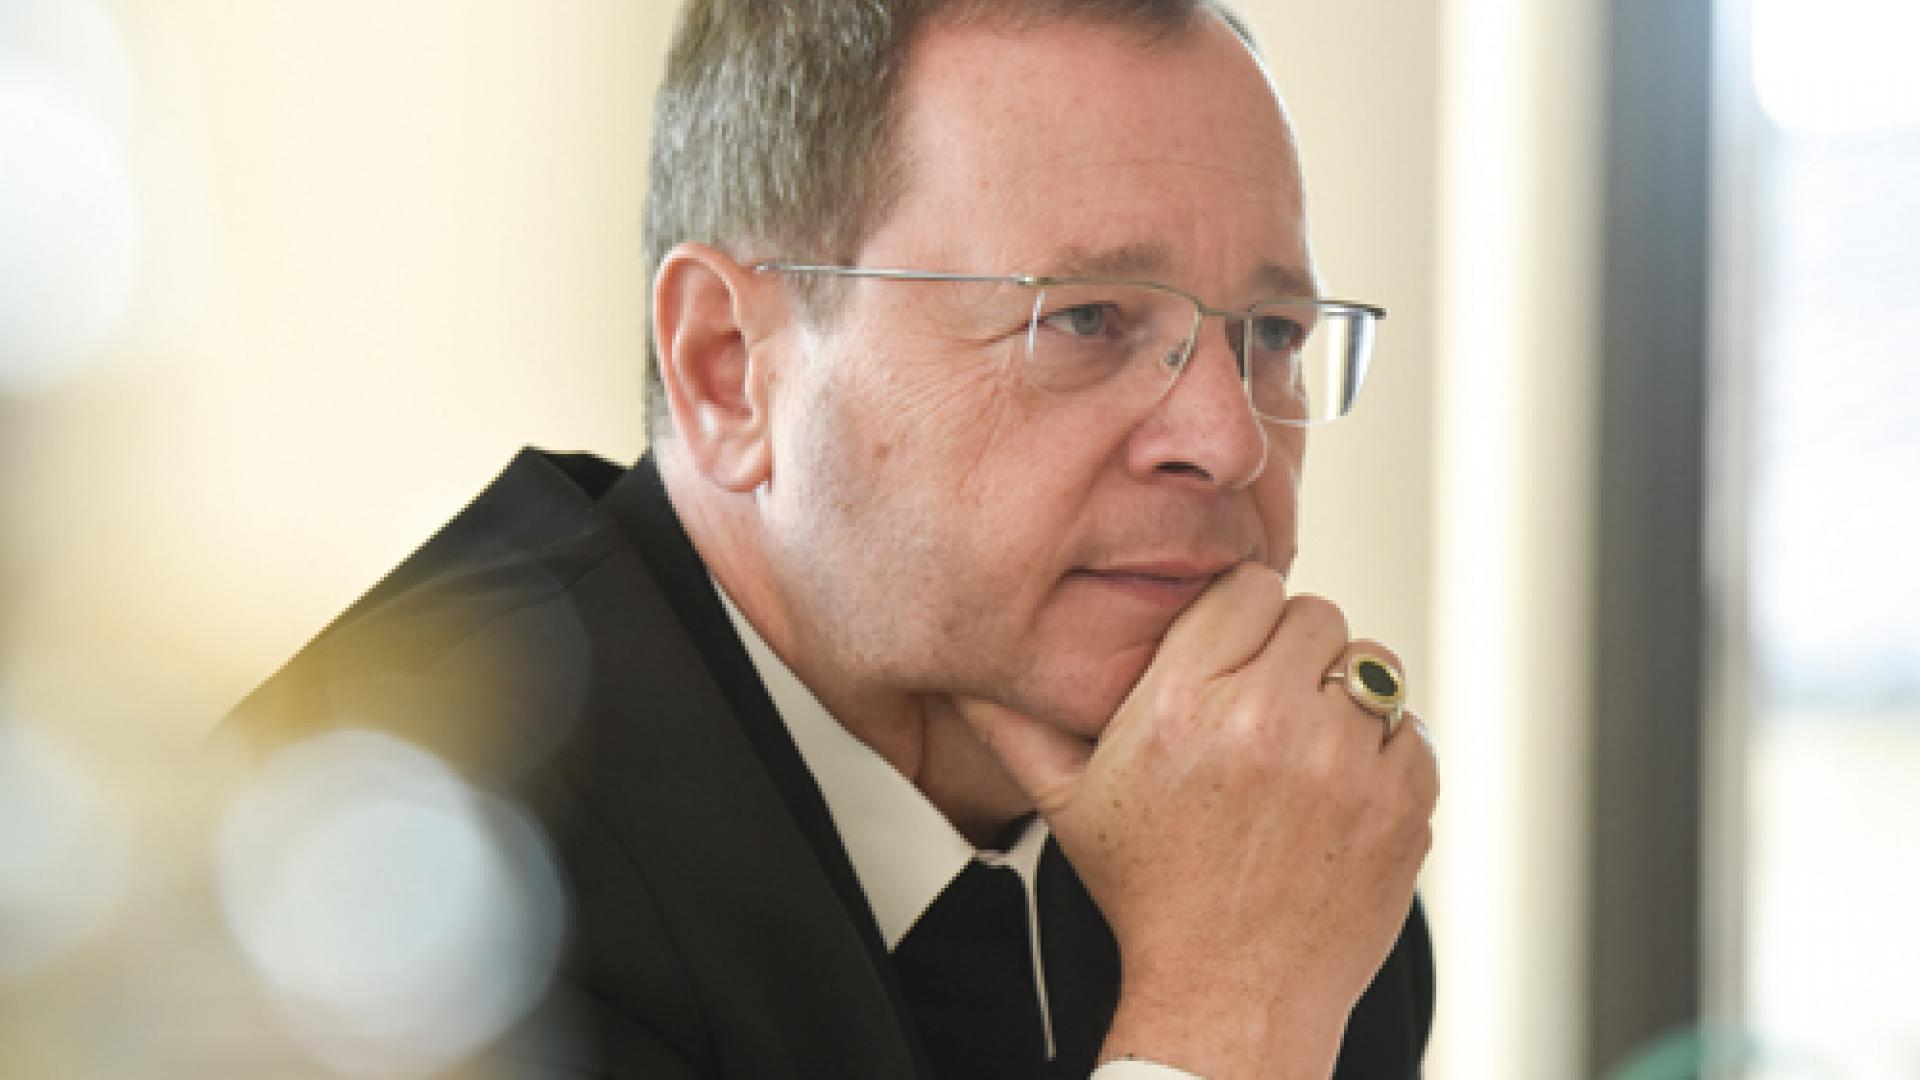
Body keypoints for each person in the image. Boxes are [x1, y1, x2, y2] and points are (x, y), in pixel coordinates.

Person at [228, 1, 1439, 1077]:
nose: (1229, 438)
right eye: (1084, 319)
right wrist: (1221, 1023)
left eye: (1273, 333)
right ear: (730, 372)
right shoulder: (392, 874)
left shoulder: (1273, 834)